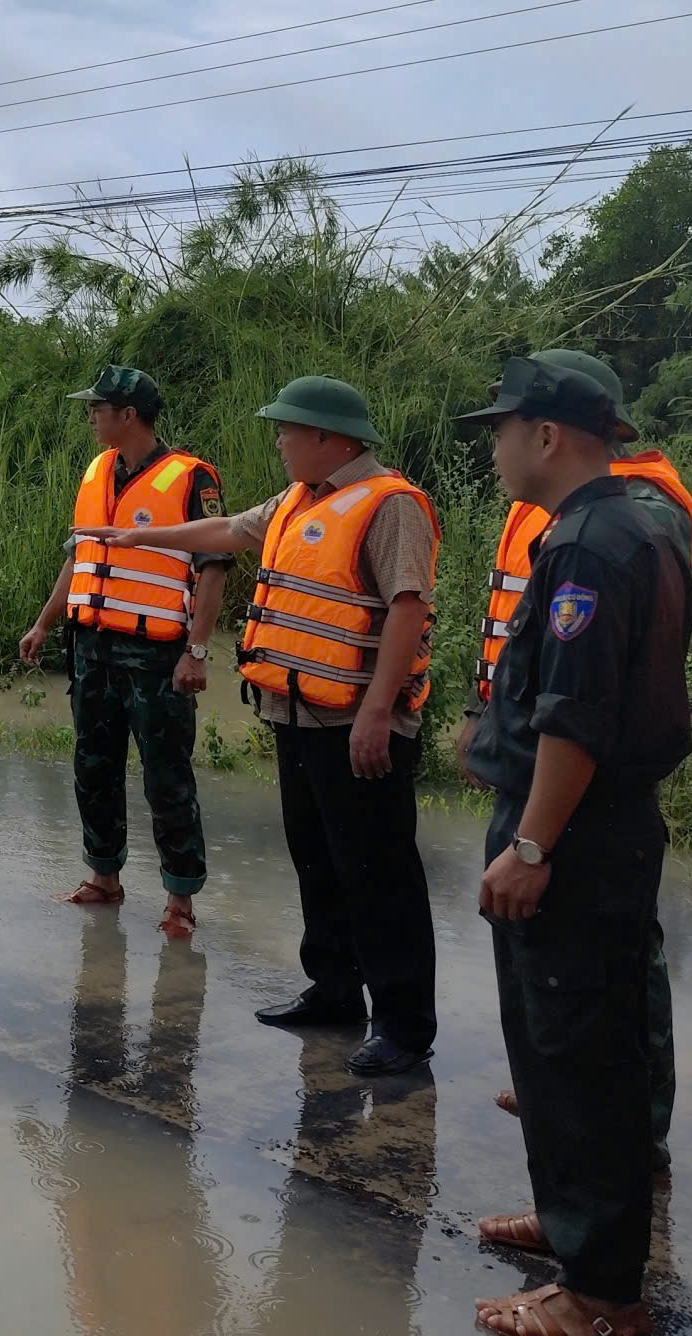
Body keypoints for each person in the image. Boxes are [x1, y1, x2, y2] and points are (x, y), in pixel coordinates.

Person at [81, 374, 439, 1076]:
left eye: (286, 430)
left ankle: (403, 1024)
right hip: (296, 712)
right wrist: (136, 537)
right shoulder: (299, 498)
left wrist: (375, 711)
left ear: (326, 438)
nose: (276, 441)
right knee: (317, 860)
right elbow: (226, 531)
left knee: (378, 873)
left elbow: (407, 607)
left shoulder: (391, 507)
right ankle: (335, 990)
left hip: (356, 723)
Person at [454, 355, 692, 1336]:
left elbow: (577, 715)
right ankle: (572, 1227)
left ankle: (596, 1293)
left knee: (578, 1052)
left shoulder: (589, 545)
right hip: (598, 827)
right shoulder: (638, 525)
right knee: (564, 1049)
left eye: (503, 429)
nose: (497, 448)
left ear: (546, 435)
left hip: (576, 832)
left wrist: (534, 842)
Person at [18, 365, 228, 939]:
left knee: (167, 778)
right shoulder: (95, 472)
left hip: (157, 657)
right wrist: (43, 623)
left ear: (128, 415)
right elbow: (79, 557)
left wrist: (198, 651)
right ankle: (103, 877)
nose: (91, 417)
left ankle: (180, 900)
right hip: (92, 649)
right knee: (94, 766)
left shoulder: (191, 478)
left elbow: (214, 570)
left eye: (98, 408)